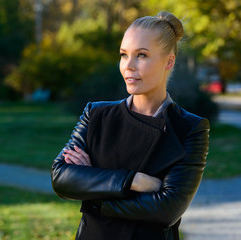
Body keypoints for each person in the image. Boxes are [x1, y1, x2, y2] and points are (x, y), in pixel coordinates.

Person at [51, 11, 210, 240]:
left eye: (142, 55)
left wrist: (93, 189)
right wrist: (133, 181)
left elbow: (166, 210)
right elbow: (61, 177)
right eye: (124, 55)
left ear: (169, 61)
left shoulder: (190, 128)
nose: (129, 66)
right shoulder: (96, 114)